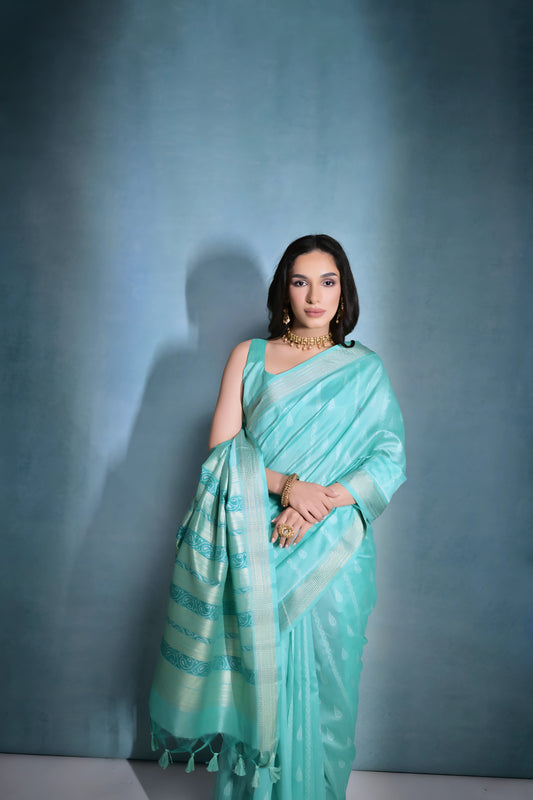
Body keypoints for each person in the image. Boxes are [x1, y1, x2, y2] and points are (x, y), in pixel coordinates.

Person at [149, 234, 406, 799]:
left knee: (333, 701)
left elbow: (389, 458)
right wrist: (289, 488)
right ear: (283, 290)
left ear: (345, 289)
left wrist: (321, 503)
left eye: (328, 281)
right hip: (258, 546)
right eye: (301, 281)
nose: (315, 296)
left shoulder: (364, 370)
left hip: (336, 553)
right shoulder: (250, 356)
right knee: (256, 693)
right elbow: (221, 456)